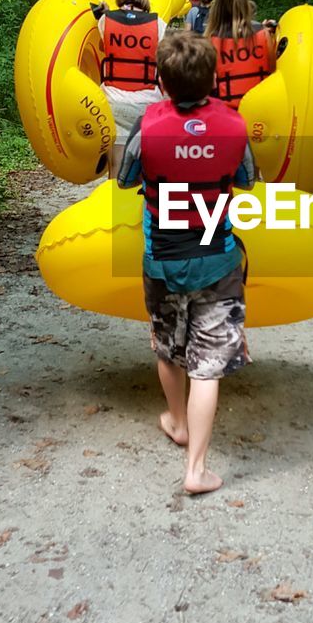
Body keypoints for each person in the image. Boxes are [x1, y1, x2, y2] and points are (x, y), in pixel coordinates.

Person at [118, 33, 256, 495]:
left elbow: (124, 180)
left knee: (167, 347)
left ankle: (176, 421)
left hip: (163, 261)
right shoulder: (234, 125)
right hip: (217, 260)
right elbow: (248, 179)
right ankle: (196, 470)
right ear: (213, 78)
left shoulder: (147, 125)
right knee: (207, 365)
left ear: (160, 80)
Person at [92, 0, 166, 177]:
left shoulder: (106, 20)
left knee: (116, 169)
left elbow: (104, 43)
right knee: (146, 170)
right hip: (147, 105)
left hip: (113, 103)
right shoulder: (158, 25)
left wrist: (103, 14)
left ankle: (115, 208)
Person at [206, 0, 276, 109]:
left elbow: (208, 83)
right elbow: (272, 69)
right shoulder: (263, 35)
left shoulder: (210, 42)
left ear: (217, 9)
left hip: (226, 111)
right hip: (261, 108)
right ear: (245, 6)